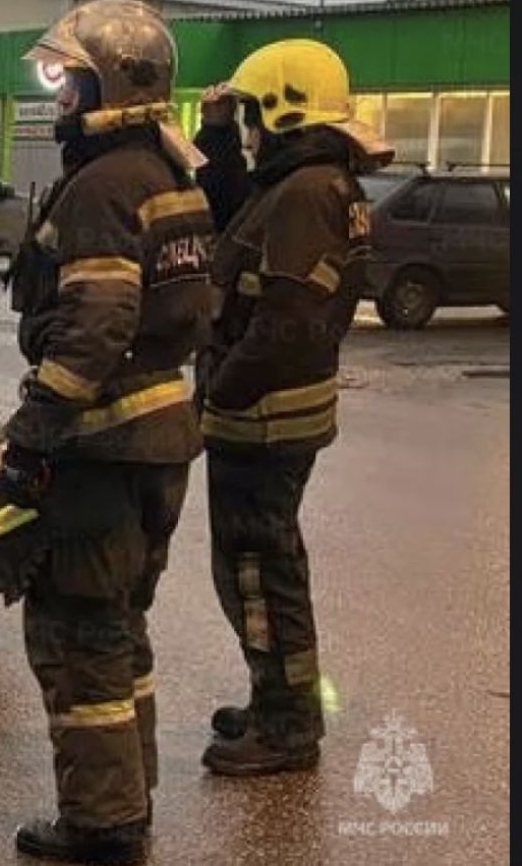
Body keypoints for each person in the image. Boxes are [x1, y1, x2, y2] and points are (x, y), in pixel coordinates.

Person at [0, 0, 214, 864]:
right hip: (159, 446)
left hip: (102, 451)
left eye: (68, 81)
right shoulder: (169, 175)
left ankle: (103, 824)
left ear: (108, 84)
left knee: (78, 637)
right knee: (120, 629)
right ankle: (128, 797)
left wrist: (33, 436)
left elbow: (95, 323)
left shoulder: (105, 186)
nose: (60, 97)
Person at [191, 39, 393, 776]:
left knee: (258, 573)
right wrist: (213, 135)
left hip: (263, 420)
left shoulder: (307, 193)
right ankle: (277, 698)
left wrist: (218, 392)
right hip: (273, 417)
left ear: (285, 109)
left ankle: (286, 725)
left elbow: (284, 326)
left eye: (249, 113)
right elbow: (232, 213)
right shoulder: (306, 182)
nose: (247, 126)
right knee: (264, 568)